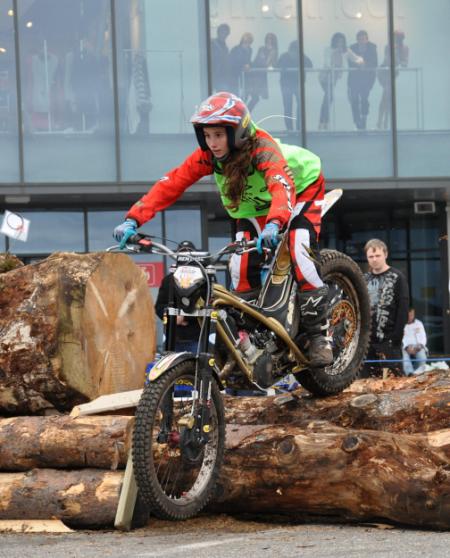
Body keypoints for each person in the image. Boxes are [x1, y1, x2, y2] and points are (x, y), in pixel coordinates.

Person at [113, 91, 333, 368]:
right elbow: (173, 182)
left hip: (301, 189)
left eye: (218, 135)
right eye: (207, 135)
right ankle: (251, 342)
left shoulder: (263, 149)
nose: (212, 143)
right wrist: (134, 219)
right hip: (254, 208)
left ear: (237, 131)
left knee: (300, 252)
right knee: (238, 269)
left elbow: (281, 185)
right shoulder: (209, 157)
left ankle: (319, 336)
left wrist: (276, 223)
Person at [362, 239, 409, 377]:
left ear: (385, 254)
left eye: (378, 256)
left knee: (394, 385)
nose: (374, 259)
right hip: (367, 342)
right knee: (366, 385)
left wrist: (395, 338)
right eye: (371, 256)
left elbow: (403, 309)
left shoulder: (397, 277)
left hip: (389, 342)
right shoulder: (364, 279)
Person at [155, 240, 200, 352]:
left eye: (188, 254)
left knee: (196, 368)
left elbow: (209, 305)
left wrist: (184, 317)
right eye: (182, 254)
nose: (185, 258)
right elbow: (159, 306)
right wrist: (173, 318)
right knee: (172, 369)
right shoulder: (168, 280)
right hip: (173, 339)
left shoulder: (203, 280)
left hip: (196, 339)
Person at [318, 32, 363, 130]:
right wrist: (333, 66)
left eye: (342, 42)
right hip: (325, 77)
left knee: (328, 98)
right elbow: (326, 62)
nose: (340, 44)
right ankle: (323, 122)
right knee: (328, 97)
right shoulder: (328, 50)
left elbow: (356, 58)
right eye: (338, 42)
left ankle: (324, 122)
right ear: (334, 42)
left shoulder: (346, 51)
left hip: (335, 79)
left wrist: (362, 62)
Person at [376, 30, 409, 130]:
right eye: (393, 37)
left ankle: (382, 121)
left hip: (393, 73)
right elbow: (386, 60)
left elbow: (405, 64)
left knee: (386, 97)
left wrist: (397, 57)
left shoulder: (405, 48)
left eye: (396, 37)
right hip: (384, 71)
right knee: (387, 95)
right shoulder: (388, 46)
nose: (394, 39)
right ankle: (383, 121)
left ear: (401, 38)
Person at [278, 40, 313, 131]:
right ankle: (290, 129)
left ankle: (298, 128)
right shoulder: (284, 56)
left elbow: (310, 65)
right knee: (288, 107)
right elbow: (278, 65)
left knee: (300, 106)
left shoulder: (302, 57)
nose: (294, 53)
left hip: (297, 84)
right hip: (287, 84)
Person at [347, 30, 378, 130]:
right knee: (354, 99)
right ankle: (357, 121)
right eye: (359, 39)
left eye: (363, 39)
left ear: (367, 39)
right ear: (357, 40)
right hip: (354, 78)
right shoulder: (352, 48)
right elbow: (350, 62)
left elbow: (374, 62)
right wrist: (359, 64)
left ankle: (364, 117)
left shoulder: (372, 47)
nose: (361, 41)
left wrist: (365, 65)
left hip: (367, 78)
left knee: (364, 99)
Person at [245, 32, 278, 112]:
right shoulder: (261, 48)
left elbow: (267, 63)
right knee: (248, 95)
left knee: (255, 97)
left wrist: (266, 60)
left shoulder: (274, 51)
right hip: (253, 74)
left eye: (270, 38)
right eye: (267, 38)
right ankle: (241, 115)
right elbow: (257, 60)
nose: (269, 40)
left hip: (260, 76)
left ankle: (244, 115)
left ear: (273, 40)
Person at [402, 308, 427, 376]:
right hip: (406, 346)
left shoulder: (419, 323)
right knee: (404, 356)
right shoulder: (401, 324)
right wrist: (406, 347)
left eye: (411, 315)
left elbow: (423, 336)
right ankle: (409, 374)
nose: (410, 317)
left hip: (417, 346)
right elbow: (401, 338)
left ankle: (418, 373)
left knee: (422, 356)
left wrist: (419, 346)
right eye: (408, 315)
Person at [229, 32, 254, 96]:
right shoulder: (236, 49)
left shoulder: (250, 50)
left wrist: (249, 65)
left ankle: (242, 105)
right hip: (234, 75)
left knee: (247, 93)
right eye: (245, 41)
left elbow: (248, 61)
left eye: (249, 41)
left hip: (245, 76)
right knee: (235, 94)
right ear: (242, 41)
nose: (247, 43)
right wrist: (243, 65)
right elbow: (232, 62)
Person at [211, 23, 231, 92]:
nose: (224, 34)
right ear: (218, 32)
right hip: (214, 75)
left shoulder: (225, 47)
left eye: (226, 33)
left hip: (223, 76)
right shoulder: (212, 44)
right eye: (222, 32)